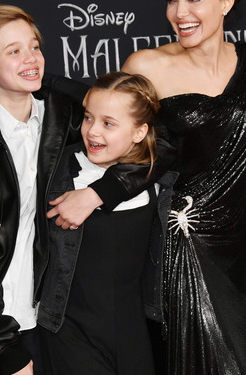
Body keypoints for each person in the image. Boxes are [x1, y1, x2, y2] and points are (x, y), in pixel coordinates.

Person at [0, 5, 170, 375]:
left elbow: (157, 144)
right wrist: (5, 347)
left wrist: (99, 193)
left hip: (42, 320)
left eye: (34, 46)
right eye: (13, 51)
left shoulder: (66, 113)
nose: (31, 59)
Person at [121, 0, 246, 374]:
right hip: (181, 246)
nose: (179, 12)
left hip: (240, 249)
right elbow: (120, 155)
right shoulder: (146, 66)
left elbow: (242, 147)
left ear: (228, 0)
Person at [38, 72, 177, 375]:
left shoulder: (159, 179)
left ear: (139, 132)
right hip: (69, 333)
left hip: (134, 334)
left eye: (108, 123)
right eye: (88, 118)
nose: (93, 131)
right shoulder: (56, 171)